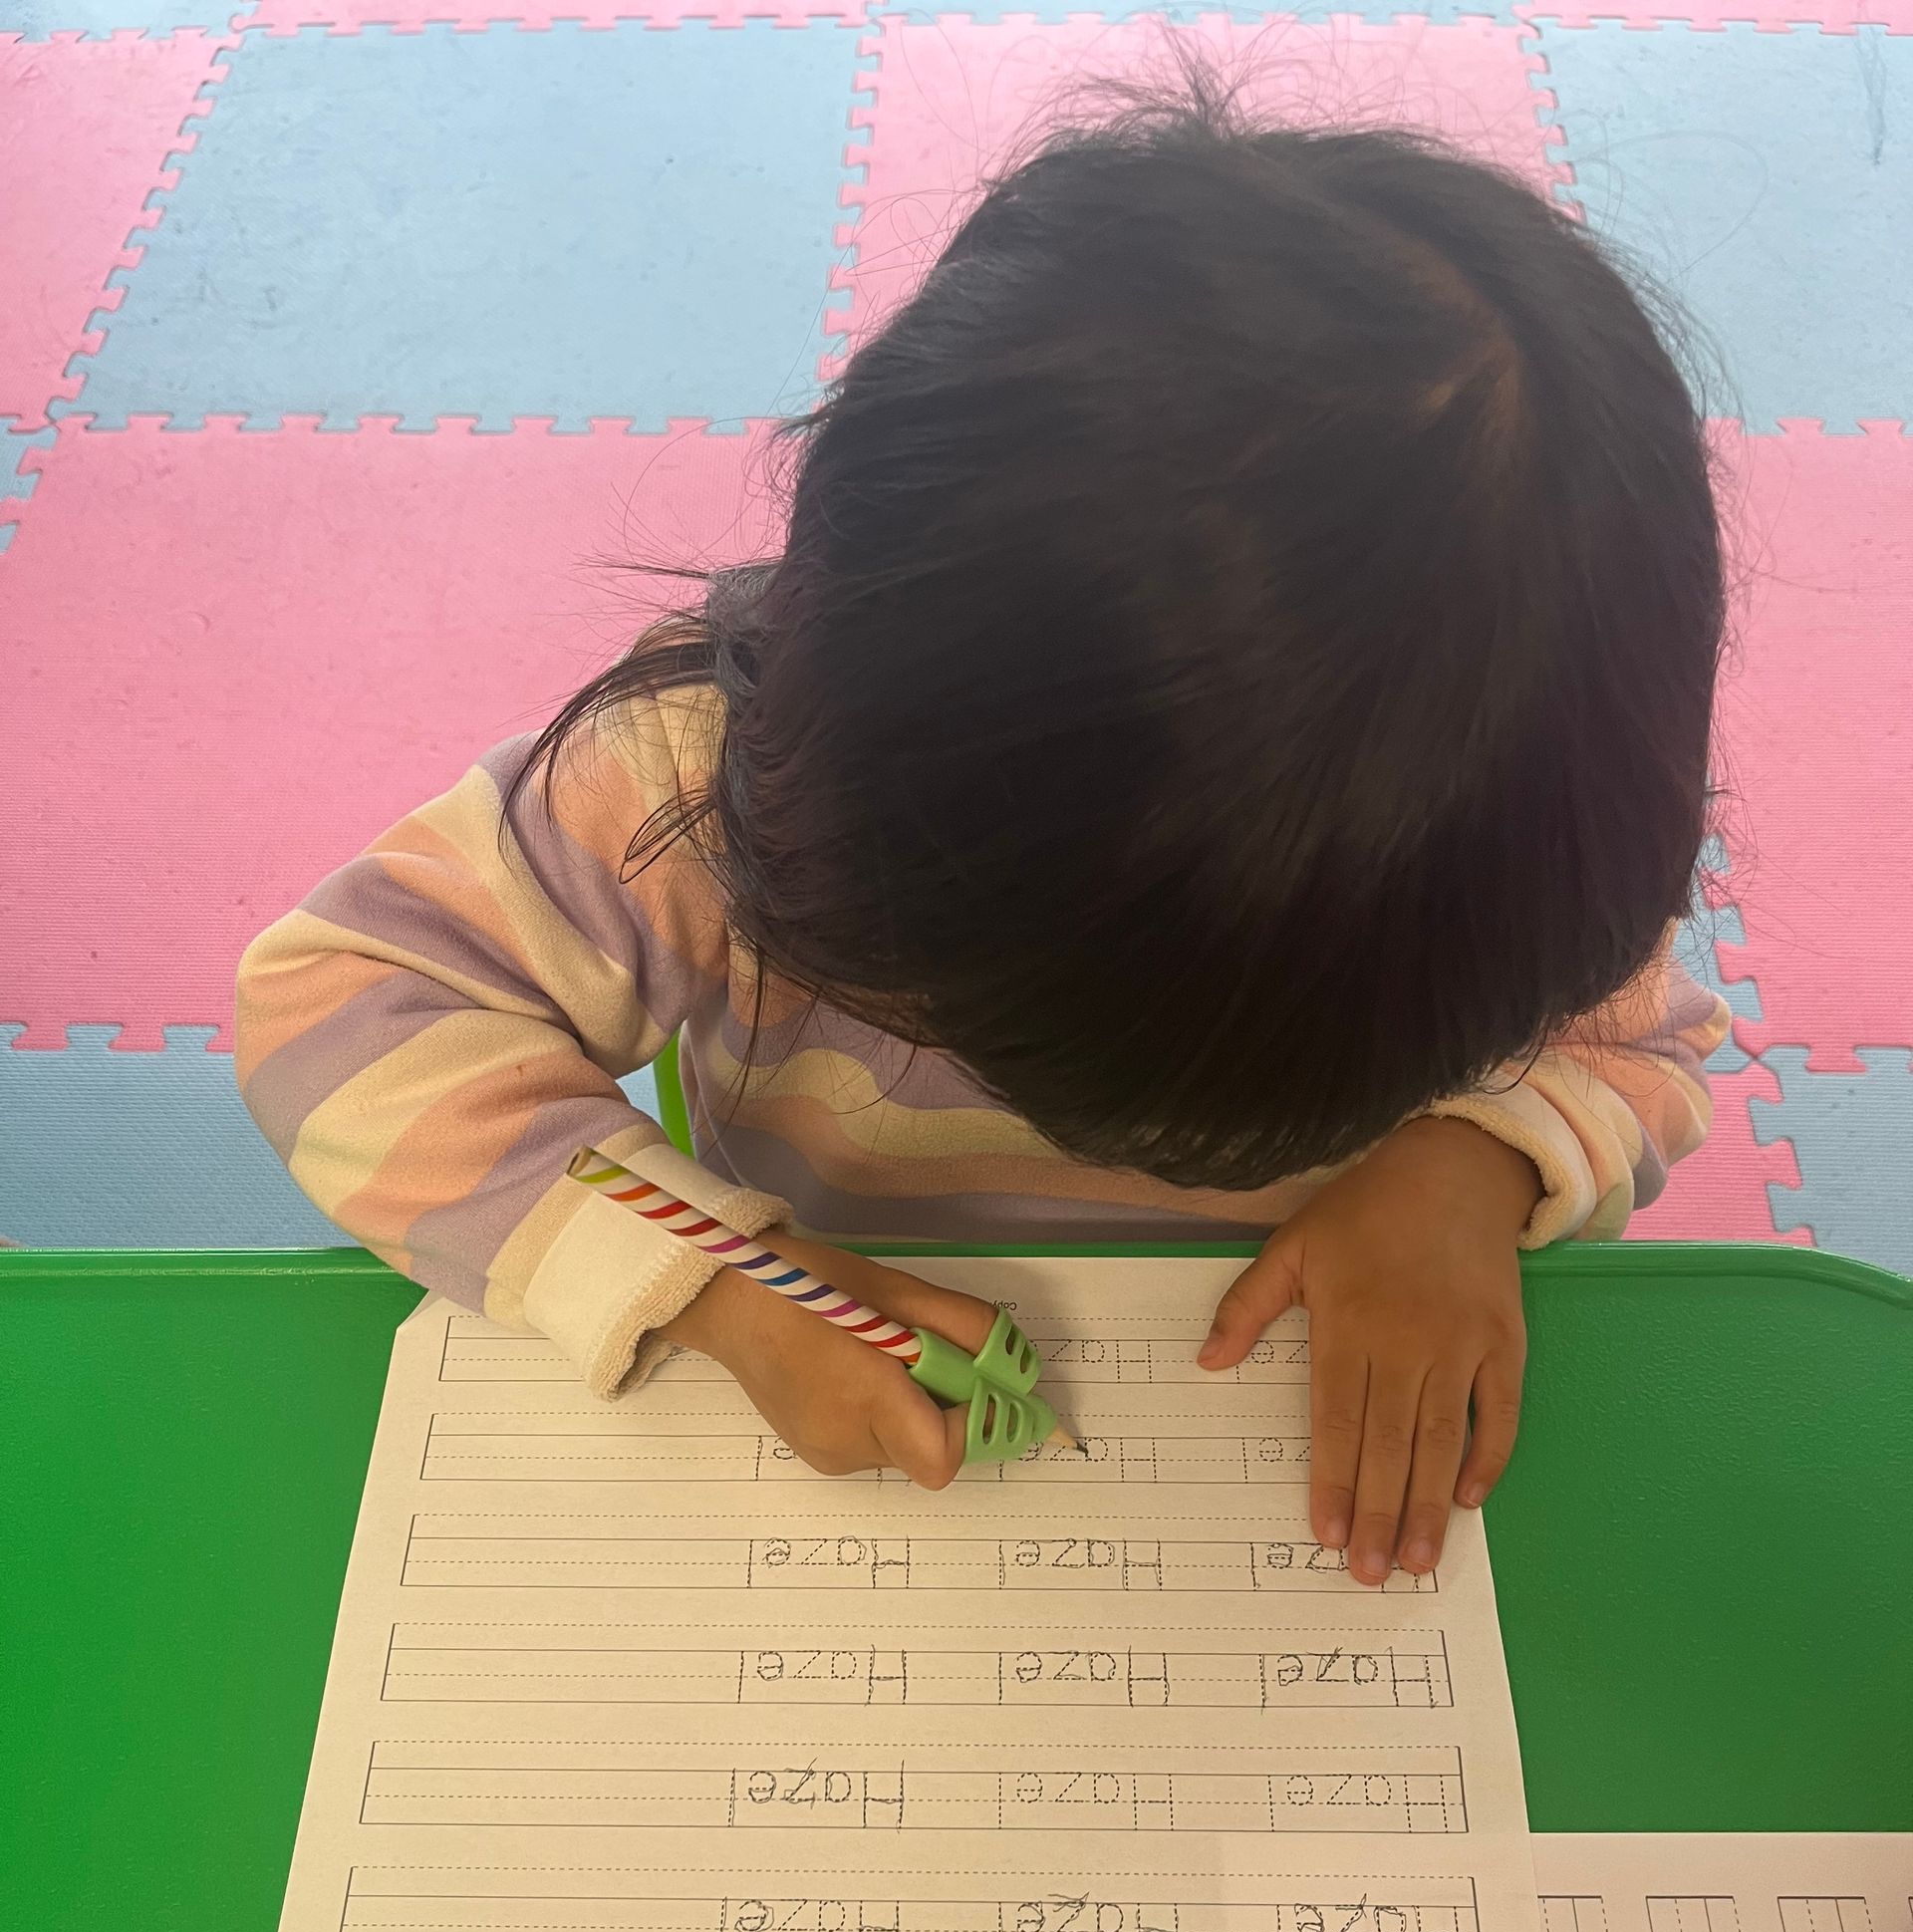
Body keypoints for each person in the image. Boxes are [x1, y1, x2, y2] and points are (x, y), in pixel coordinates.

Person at [238, 100, 1729, 1594]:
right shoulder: (696, 784)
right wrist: (712, 1283)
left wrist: (1463, 1163)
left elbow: (1637, 1048)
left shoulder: (1499, 846)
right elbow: (337, 1009)